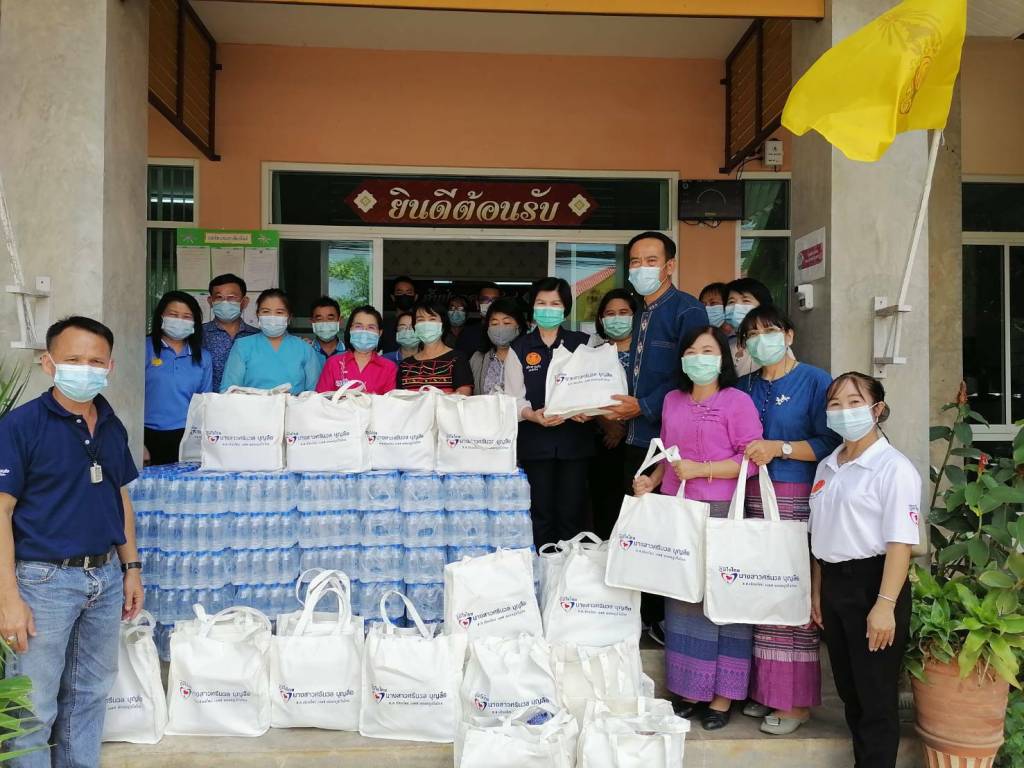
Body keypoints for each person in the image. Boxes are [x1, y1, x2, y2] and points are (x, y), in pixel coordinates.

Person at [0, 316, 144, 767]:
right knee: (33, 705)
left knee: (90, 695)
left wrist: (131, 568)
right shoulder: (20, 425)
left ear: (110, 367)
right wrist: (8, 598)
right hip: (42, 582)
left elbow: (119, 496)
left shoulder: (112, 424)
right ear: (49, 364)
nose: (86, 369)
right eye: (73, 359)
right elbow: (1, 511)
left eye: (96, 361)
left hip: (104, 578)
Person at [632, 325, 761, 731]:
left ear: (723, 358)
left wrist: (703, 469)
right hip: (679, 511)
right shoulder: (672, 400)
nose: (698, 358)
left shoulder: (737, 401)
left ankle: (723, 696)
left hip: (722, 511)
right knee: (684, 597)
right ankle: (690, 690)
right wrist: (651, 480)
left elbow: (751, 461)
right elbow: (669, 455)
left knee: (724, 597)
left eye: (707, 350)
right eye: (691, 350)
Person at [736, 305, 841, 735]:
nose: (761, 339)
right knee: (760, 595)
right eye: (752, 334)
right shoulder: (744, 385)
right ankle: (768, 692)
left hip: (795, 498)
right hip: (752, 498)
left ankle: (795, 703)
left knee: (790, 597)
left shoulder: (815, 380)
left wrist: (779, 448)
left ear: (789, 335)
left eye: (770, 330)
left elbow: (831, 440)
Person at [810, 372, 919, 768]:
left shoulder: (894, 468)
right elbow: (819, 534)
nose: (844, 411)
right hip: (834, 585)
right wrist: (817, 592)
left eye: (854, 402)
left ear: (877, 409)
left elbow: (901, 543)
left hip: (874, 584)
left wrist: (885, 605)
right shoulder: (827, 466)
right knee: (850, 691)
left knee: (875, 697)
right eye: (835, 404)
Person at [603, 231, 708, 644]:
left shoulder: (687, 310)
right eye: (634, 262)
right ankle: (640, 615)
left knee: (663, 535)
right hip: (632, 440)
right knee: (634, 531)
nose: (641, 268)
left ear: (669, 266)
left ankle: (665, 619)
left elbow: (692, 371)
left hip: (666, 443)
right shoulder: (639, 311)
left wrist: (644, 406)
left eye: (650, 261)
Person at [504, 277, 594, 547]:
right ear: (533, 307)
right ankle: (543, 568)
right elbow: (513, 399)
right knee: (540, 513)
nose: (548, 308)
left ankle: (569, 569)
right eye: (541, 303)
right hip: (536, 444)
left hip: (574, 442)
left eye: (555, 303)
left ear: (565, 309)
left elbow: (595, 388)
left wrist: (587, 410)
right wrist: (532, 415)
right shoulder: (519, 348)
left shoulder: (583, 344)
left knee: (572, 513)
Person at [588, 288, 637, 539]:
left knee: (636, 507)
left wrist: (626, 427)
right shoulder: (593, 353)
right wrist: (607, 423)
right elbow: (583, 391)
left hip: (639, 441)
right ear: (601, 318)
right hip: (604, 441)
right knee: (605, 505)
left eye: (624, 312)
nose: (617, 318)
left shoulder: (646, 353)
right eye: (610, 313)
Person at [143, 291, 213, 465]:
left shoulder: (203, 357)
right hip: (146, 435)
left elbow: (203, 403)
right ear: (161, 316)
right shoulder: (143, 348)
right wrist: (136, 440)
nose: (179, 320)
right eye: (173, 315)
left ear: (195, 322)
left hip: (186, 437)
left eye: (186, 316)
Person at [220, 288, 323, 393]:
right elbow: (229, 390)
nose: (272, 317)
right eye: (266, 311)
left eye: (279, 312)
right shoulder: (242, 346)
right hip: (251, 404)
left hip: (293, 404)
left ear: (289, 317)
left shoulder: (304, 348)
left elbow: (316, 393)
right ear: (258, 315)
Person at [316, 305, 397, 395]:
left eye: (371, 327)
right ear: (350, 329)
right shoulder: (333, 364)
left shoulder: (389, 368)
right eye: (358, 326)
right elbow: (321, 400)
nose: (364, 332)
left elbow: (390, 402)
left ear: (380, 333)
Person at [397, 300, 473, 394]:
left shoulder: (457, 359)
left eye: (432, 319)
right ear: (415, 326)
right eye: (420, 320)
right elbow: (399, 398)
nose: (426, 324)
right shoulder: (405, 365)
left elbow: (463, 394)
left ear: (443, 324)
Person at [202, 273, 259, 391]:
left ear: (244, 302)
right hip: (208, 400)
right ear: (210, 301)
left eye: (232, 297)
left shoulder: (257, 336)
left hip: (251, 400)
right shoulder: (198, 334)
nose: (225, 302)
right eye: (219, 297)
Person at [469, 297, 527, 395]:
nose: (500, 328)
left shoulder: (530, 356)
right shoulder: (477, 358)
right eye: (495, 323)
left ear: (519, 327)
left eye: (506, 323)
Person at [725, 277, 775, 376]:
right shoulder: (725, 343)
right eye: (731, 302)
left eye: (746, 301)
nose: (736, 307)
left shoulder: (773, 343)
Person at [456, 282, 502, 355]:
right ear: (477, 304)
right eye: (485, 299)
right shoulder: (467, 334)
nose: (490, 304)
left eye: (494, 300)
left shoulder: (508, 332)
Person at [380, 275, 419, 353]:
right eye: (400, 292)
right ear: (393, 297)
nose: (404, 296)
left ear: (415, 297)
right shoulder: (384, 325)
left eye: (409, 292)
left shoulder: (421, 323)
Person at [309, 296, 345, 361]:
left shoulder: (349, 352)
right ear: (312, 322)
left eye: (330, 318)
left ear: (339, 321)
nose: (325, 323)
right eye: (319, 319)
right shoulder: (305, 350)